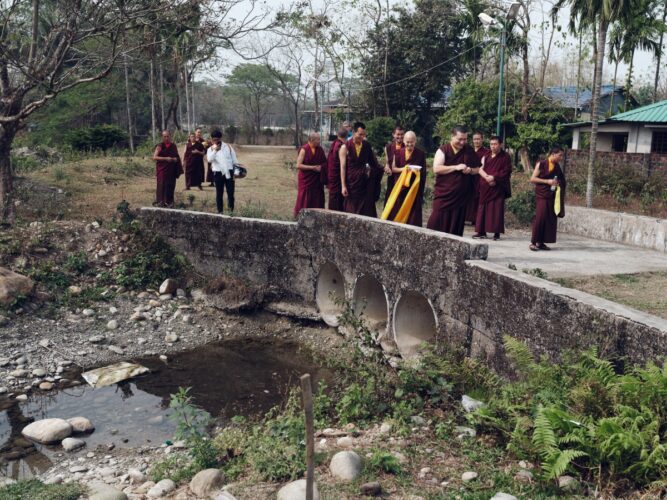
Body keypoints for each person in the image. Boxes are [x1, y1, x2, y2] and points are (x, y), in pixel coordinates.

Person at [426, 126, 481, 236]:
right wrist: (455, 167)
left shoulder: (469, 150)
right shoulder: (443, 150)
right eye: (459, 139)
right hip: (444, 195)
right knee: (435, 222)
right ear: (452, 136)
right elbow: (437, 168)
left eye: (465, 139)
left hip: (461, 198)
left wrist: (470, 170)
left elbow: (478, 169)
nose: (462, 142)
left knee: (456, 225)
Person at [339, 121, 383, 217]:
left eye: (364, 135)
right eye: (360, 134)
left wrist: (381, 169)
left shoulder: (366, 145)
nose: (362, 137)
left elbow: (373, 163)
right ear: (354, 132)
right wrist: (343, 186)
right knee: (351, 208)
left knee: (365, 208)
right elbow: (342, 167)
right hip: (351, 183)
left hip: (364, 181)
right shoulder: (345, 147)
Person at [384, 130, 427, 226]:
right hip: (400, 187)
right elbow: (394, 169)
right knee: (396, 211)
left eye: (412, 142)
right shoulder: (397, 152)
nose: (410, 144)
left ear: (415, 141)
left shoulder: (421, 154)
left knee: (412, 215)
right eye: (407, 142)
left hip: (413, 189)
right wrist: (405, 169)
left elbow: (423, 173)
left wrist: (420, 191)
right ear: (404, 141)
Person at [473, 135, 512, 240]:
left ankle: (496, 233)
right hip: (485, 186)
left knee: (496, 210)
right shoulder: (486, 155)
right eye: (491, 144)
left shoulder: (505, 157)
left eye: (495, 144)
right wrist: (487, 178)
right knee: (482, 208)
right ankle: (481, 232)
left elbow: (506, 171)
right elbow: (479, 168)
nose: (493, 146)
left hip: (498, 187)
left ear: (500, 145)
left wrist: (494, 178)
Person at [530, 146, 567, 251]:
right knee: (540, 218)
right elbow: (533, 179)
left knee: (549, 219)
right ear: (553, 154)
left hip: (552, 196)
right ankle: (533, 242)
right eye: (560, 155)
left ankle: (541, 243)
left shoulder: (557, 166)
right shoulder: (541, 164)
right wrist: (547, 181)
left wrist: (558, 183)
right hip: (542, 195)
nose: (561, 158)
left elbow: (562, 180)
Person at [294, 132, 326, 217]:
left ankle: (317, 216)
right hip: (306, 179)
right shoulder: (304, 149)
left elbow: (325, 163)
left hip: (316, 180)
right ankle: (301, 216)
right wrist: (312, 168)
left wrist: (321, 167)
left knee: (317, 197)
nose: (319, 141)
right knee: (305, 197)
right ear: (311, 140)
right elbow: (298, 165)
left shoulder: (320, 149)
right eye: (318, 140)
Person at [207, 129, 238, 214]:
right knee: (219, 194)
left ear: (220, 138)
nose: (216, 141)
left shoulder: (228, 147)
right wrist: (215, 150)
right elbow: (209, 160)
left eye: (218, 139)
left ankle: (231, 211)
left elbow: (235, 161)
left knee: (231, 193)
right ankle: (220, 212)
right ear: (212, 139)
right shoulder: (210, 149)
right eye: (214, 140)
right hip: (218, 173)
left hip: (229, 172)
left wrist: (235, 173)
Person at [152, 130, 182, 208]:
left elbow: (177, 157)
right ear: (162, 137)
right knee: (161, 185)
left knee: (170, 185)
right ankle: (160, 202)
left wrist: (175, 159)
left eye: (167, 136)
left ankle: (169, 202)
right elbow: (154, 157)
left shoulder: (173, 146)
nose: (166, 138)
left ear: (170, 136)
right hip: (162, 169)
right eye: (164, 136)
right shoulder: (160, 146)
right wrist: (166, 158)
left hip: (171, 169)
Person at [466, 132, 491, 224]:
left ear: (482, 139)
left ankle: (476, 219)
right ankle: (466, 217)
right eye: (475, 139)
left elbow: (484, 166)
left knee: (477, 198)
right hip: (468, 177)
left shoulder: (486, 152)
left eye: (478, 139)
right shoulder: (469, 151)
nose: (476, 141)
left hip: (479, 178)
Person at [327, 126, 347, 211]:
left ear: (337, 135)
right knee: (337, 201)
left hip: (332, 176)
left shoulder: (334, 143)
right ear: (346, 135)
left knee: (333, 199)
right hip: (338, 178)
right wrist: (343, 185)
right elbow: (343, 166)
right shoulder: (342, 147)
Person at [383, 126, 405, 205]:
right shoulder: (388, 147)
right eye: (398, 134)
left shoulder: (406, 146)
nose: (400, 137)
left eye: (402, 134)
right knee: (390, 200)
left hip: (403, 177)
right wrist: (387, 168)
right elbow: (387, 163)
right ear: (393, 134)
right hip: (392, 178)